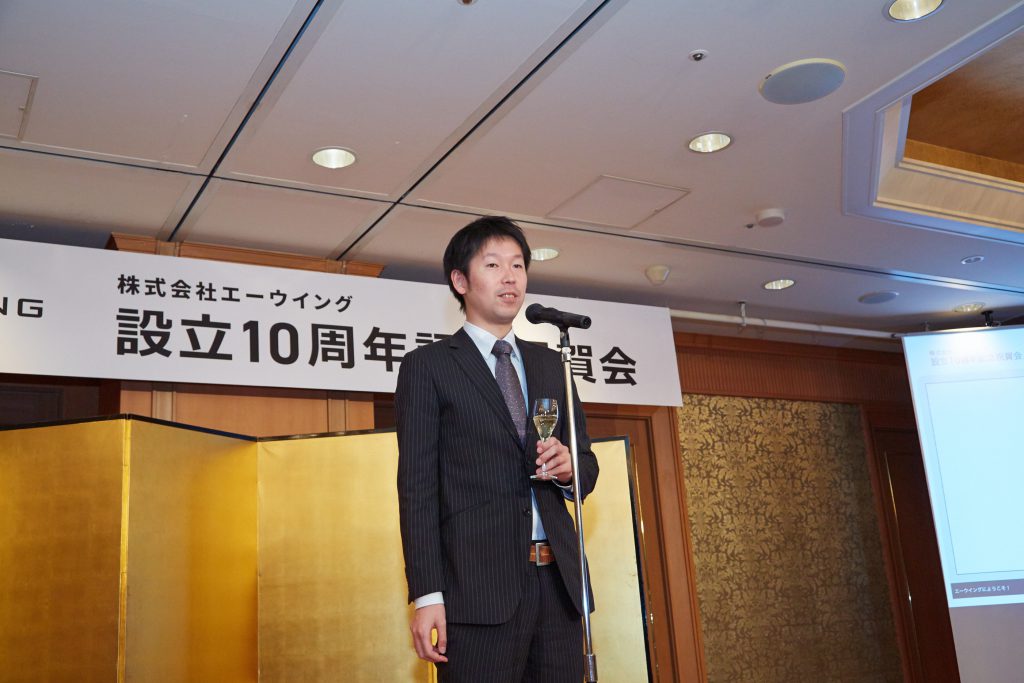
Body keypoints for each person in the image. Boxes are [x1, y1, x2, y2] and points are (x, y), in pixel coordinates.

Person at [396, 215, 599, 682]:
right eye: (493, 265)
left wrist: (570, 469)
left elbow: (586, 465)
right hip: (476, 592)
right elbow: (417, 490)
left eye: (517, 265)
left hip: (559, 588)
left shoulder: (552, 363)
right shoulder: (428, 367)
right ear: (460, 281)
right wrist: (427, 595)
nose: (510, 277)